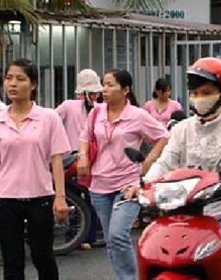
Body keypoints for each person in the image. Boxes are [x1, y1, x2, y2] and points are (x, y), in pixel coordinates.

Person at [144, 57, 221, 280]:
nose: (199, 98)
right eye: (195, 93)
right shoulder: (182, 129)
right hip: (184, 212)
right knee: (151, 251)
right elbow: (166, 162)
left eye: (206, 92)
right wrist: (143, 184)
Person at [77, 69, 169, 280]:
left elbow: (163, 137)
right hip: (99, 184)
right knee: (111, 240)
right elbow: (85, 136)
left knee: (118, 235)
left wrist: (147, 162)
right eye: (104, 84)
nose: (104, 89)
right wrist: (82, 155)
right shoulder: (96, 112)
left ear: (125, 89)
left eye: (110, 85)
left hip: (127, 184)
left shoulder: (137, 115)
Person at [0, 58, 70, 279]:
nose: (12, 84)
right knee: (12, 260)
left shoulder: (48, 117)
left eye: (20, 79)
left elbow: (56, 159)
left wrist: (60, 197)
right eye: (9, 78)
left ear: (33, 84)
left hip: (40, 196)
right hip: (5, 198)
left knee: (42, 256)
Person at [55, 69, 103, 250]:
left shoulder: (68, 105)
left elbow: (52, 119)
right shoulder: (99, 108)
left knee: (72, 196)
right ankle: (87, 238)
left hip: (69, 159)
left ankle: (73, 235)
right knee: (89, 197)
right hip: (91, 157)